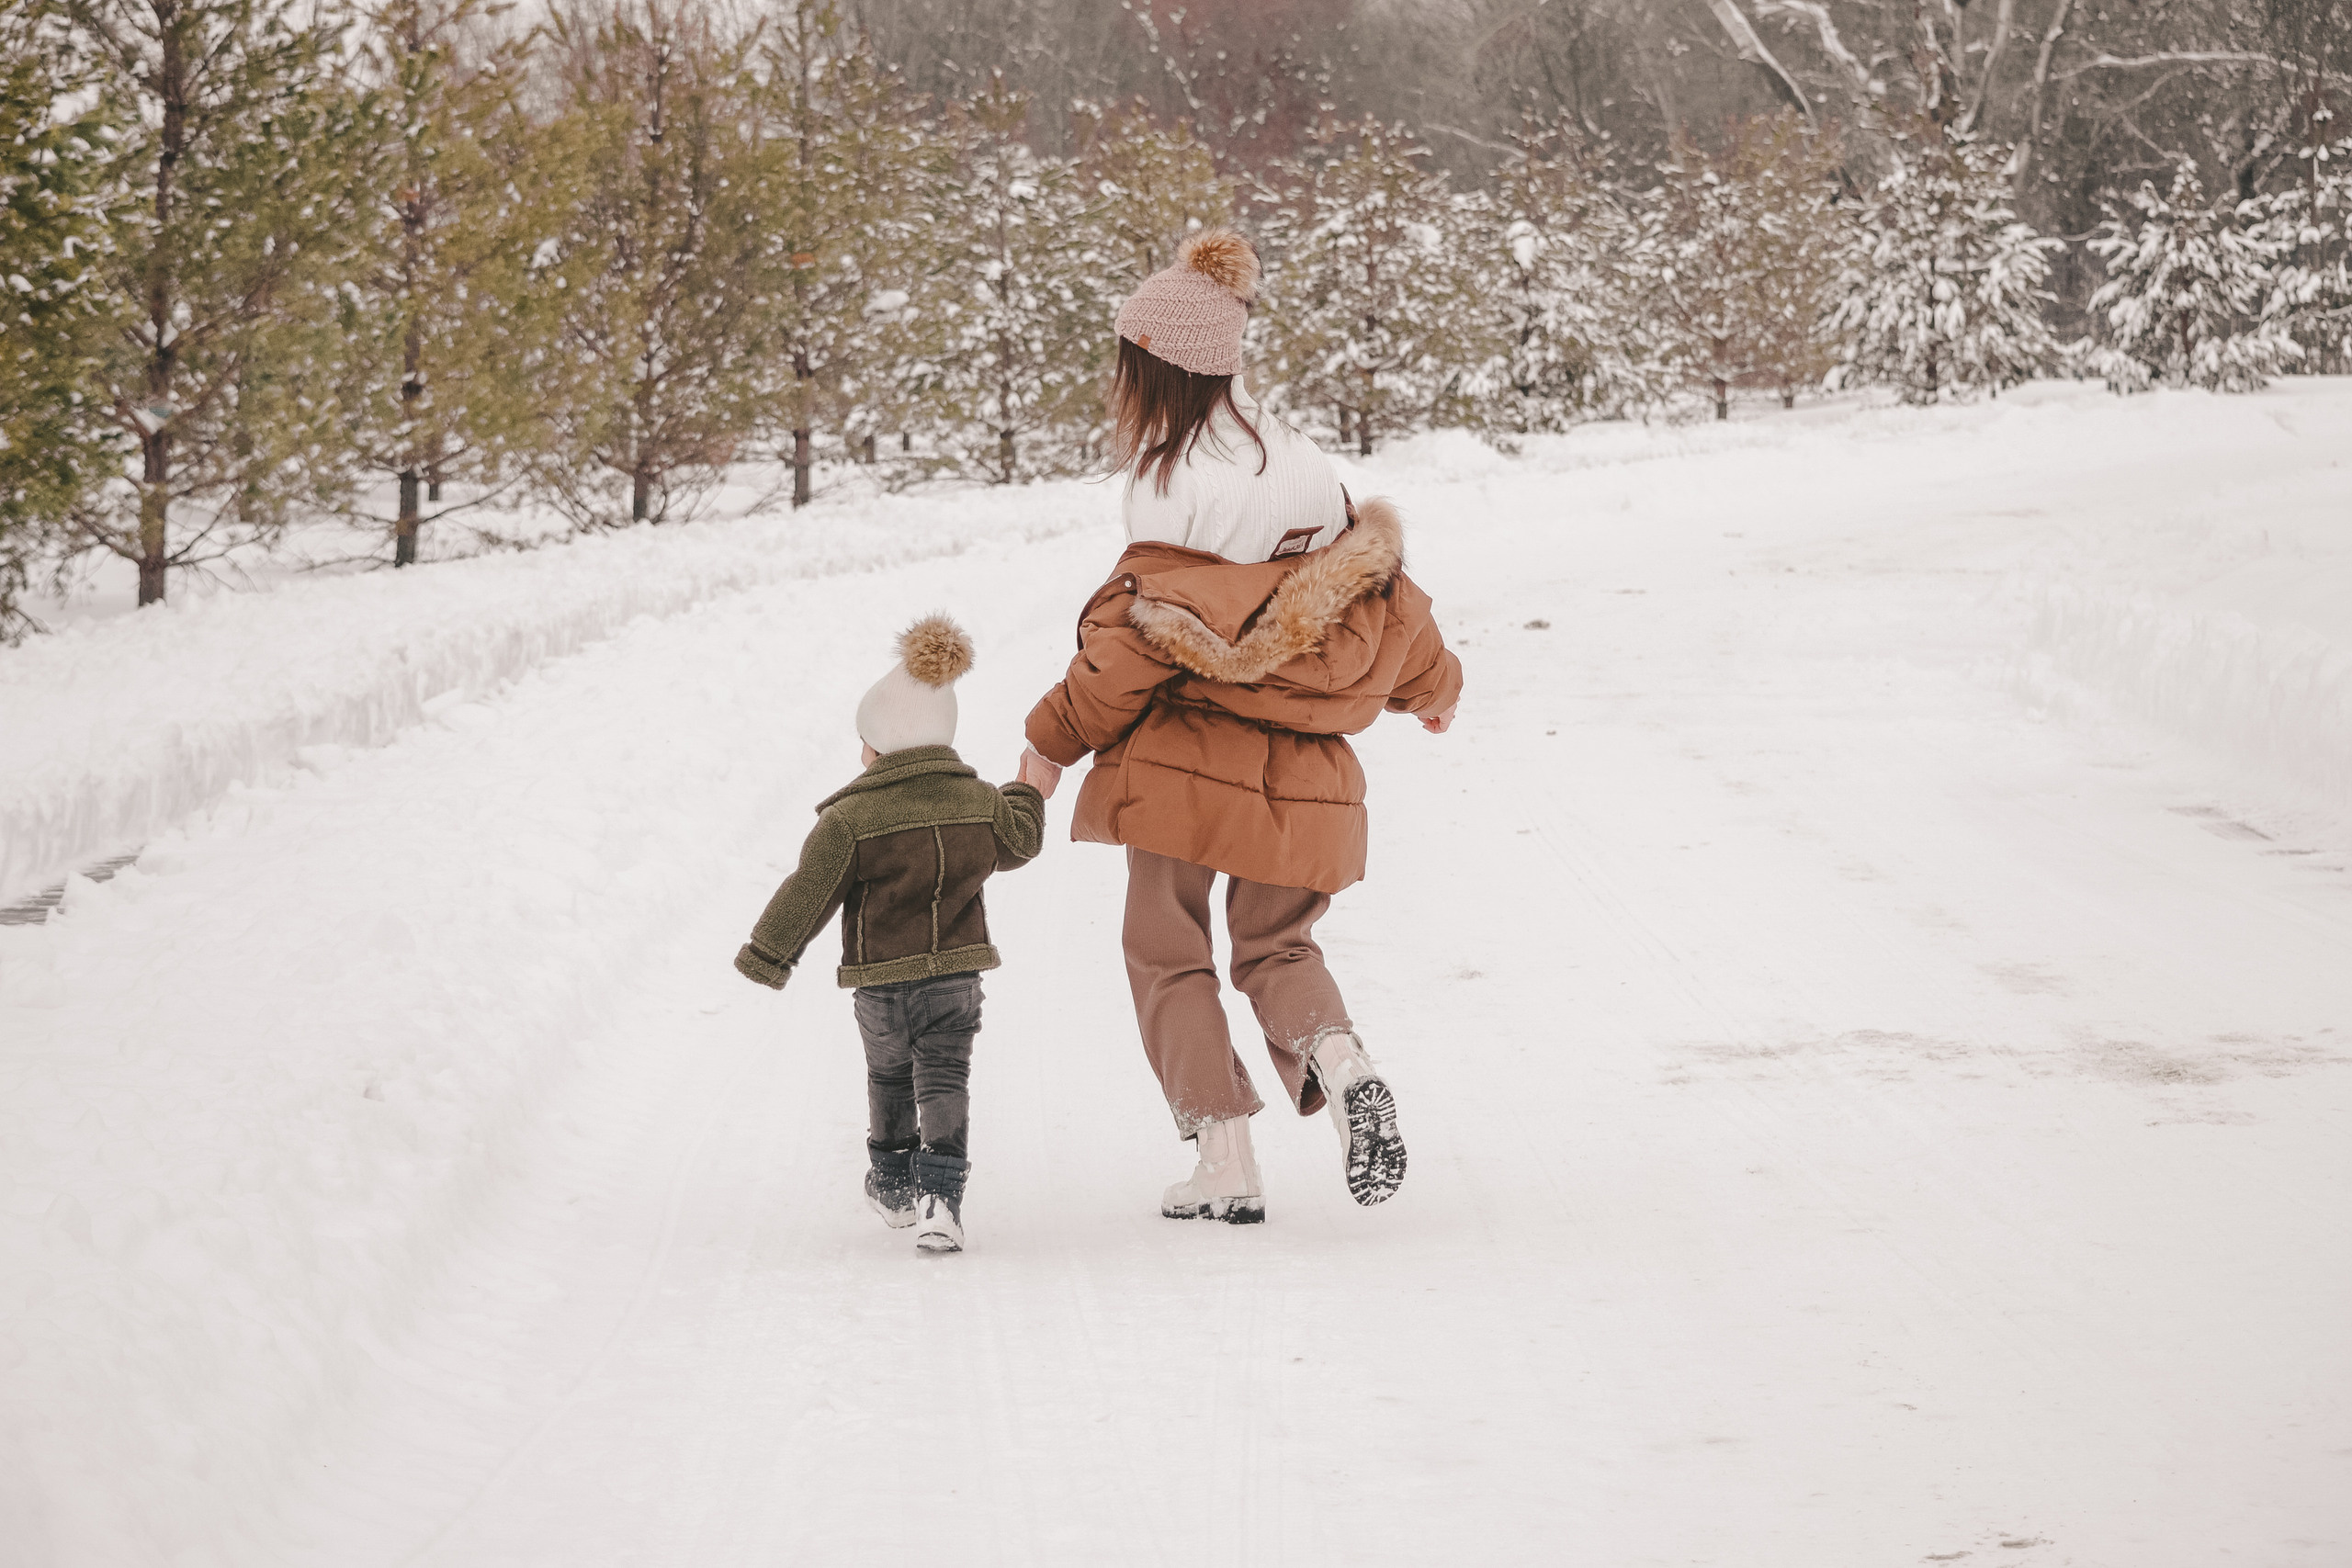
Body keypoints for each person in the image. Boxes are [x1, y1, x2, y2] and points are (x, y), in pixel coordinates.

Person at [1017, 230, 1463, 1224]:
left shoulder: (1170, 485)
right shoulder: (1307, 467)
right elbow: (1377, 598)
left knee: (1165, 949)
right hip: (1306, 764)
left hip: (1184, 763)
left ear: (1158, 370)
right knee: (1277, 948)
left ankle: (1223, 1158)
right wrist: (1432, 686)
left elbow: (1132, 644)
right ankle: (1338, 1059)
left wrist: (1048, 745)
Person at [735, 615, 1046, 1256]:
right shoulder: (980, 802)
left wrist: (768, 954)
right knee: (944, 1079)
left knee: (889, 1078)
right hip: (955, 980)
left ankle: (894, 1181)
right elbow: (1020, 838)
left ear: (881, 744)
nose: (861, 756)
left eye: (865, 743)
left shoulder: (850, 820)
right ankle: (942, 1200)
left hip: (881, 984)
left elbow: (808, 891)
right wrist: (1030, 788)